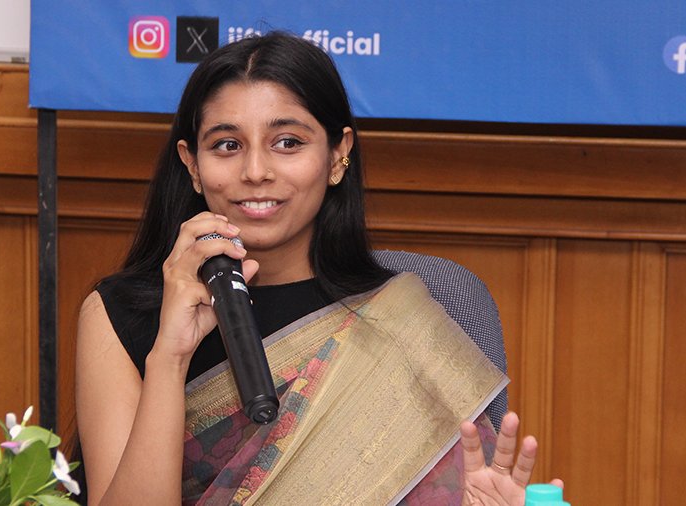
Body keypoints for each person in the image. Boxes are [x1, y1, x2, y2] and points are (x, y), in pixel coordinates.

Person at [75, 32, 562, 505]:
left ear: (337, 154)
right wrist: (170, 356)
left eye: (287, 142)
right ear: (192, 164)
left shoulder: (408, 318)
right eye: (227, 145)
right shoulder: (119, 315)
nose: (256, 171)